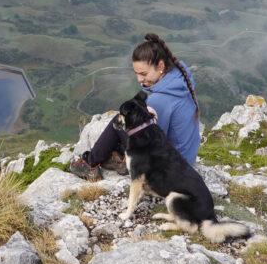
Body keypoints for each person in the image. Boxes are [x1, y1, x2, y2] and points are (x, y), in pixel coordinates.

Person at [70, 32, 201, 180]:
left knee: (119, 120)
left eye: (143, 73)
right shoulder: (181, 81)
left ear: (161, 66)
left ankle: (89, 163)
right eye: (136, 73)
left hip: (170, 169)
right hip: (187, 159)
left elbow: (153, 141)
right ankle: (118, 157)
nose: (139, 79)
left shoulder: (158, 102)